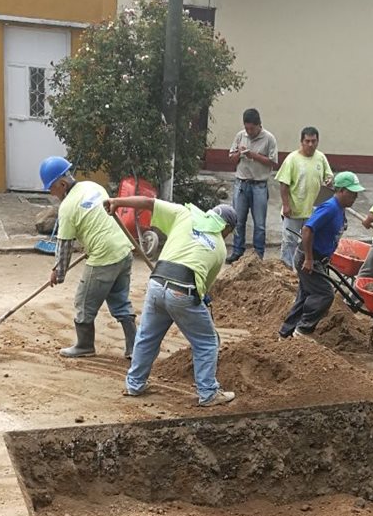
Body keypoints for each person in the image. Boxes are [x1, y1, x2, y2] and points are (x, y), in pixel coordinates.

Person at [105, 194, 237, 407]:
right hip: (183, 291)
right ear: (227, 229)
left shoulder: (184, 214)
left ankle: (134, 384)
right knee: (206, 342)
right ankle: (208, 392)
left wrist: (117, 202)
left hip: (156, 284)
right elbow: (202, 290)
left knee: (147, 337)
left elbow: (149, 203)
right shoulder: (220, 248)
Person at [39, 156, 136, 359]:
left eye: (51, 188)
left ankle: (84, 346)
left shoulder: (66, 208)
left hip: (103, 257)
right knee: (120, 301)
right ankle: (134, 348)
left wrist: (59, 272)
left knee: (83, 303)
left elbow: (64, 246)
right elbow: (101, 217)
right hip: (123, 250)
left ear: (62, 184)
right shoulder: (92, 186)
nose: (51, 192)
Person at [278, 171, 364, 340]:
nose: (355, 197)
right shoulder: (330, 208)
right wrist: (309, 259)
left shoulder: (340, 209)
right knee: (325, 294)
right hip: (309, 258)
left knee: (305, 295)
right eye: (352, 193)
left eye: (356, 193)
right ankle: (303, 331)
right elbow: (307, 229)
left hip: (319, 258)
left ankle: (285, 333)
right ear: (340, 191)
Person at [226, 108, 278, 264]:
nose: (249, 131)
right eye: (247, 128)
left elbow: (272, 162)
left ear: (259, 125)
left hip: (259, 185)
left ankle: (258, 255)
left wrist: (252, 155)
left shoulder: (269, 138)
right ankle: (237, 251)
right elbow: (231, 158)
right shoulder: (240, 136)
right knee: (238, 220)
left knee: (260, 224)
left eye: (252, 129)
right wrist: (239, 154)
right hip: (241, 183)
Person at [276, 127, 333, 268]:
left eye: (313, 141)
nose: (310, 144)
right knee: (290, 241)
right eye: (307, 141)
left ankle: (307, 268)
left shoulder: (321, 158)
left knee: (310, 242)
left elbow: (329, 176)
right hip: (294, 209)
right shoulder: (292, 159)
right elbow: (283, 184)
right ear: (301, 141)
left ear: (318, 141)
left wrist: (329, 180)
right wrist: (286, 205)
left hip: (314, 210)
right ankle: (287, 269)